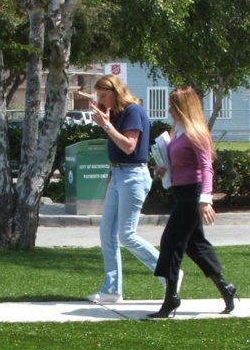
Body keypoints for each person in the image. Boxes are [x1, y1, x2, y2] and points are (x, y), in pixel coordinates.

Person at [147, 86, 237, 319]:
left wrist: (205, 200)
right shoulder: (177, 131)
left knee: (171, 242)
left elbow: (207, 167)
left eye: (173, 105)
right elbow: (181, 162)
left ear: (183, 107)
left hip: (192, 195)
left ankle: (170, 299)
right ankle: (225, 287)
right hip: (180, 192)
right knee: (196, 245)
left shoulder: (197, 133)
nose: (169, 109)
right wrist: (164, 169)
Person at [84, 74, 161, 304]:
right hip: (118, 174)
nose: (101, 100)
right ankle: (111, 290)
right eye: (98, 95)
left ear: (115, 92)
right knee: (107, 232)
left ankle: (168, 270)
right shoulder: (116, 114)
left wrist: (106, 126)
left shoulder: (132, 112)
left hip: (134, 175)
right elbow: (117, 150)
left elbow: (129, 146)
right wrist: (110, 177)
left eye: (104, 95)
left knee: (126, 235)